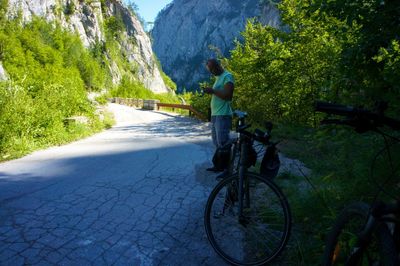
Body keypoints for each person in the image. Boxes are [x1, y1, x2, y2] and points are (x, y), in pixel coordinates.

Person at [203, 59, 234, 172]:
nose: (211, 71)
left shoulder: (227, 76)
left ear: (218, 65)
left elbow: (228, 95)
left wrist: (212, 91)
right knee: (217, 142)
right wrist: (211, 91)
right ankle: (219, 166)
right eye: (209, 70)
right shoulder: (218, 78)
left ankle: (227, 170)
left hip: (223, 115)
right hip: (216, 115)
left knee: (223, 142)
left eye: (212, 68)